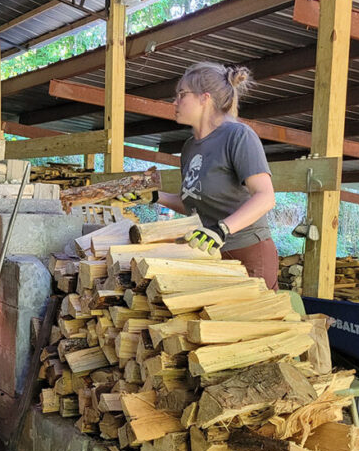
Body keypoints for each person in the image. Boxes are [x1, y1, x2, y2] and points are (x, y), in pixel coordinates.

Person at [119, 62, 277, 288]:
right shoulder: (190, 147)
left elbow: (265, 197)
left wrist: (222, 229)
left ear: (205, 98)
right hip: (208, 252)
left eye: (182, 94)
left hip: (247, 252)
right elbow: (195, 204)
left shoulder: (238, 135)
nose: (175, 102)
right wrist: (154, 196)